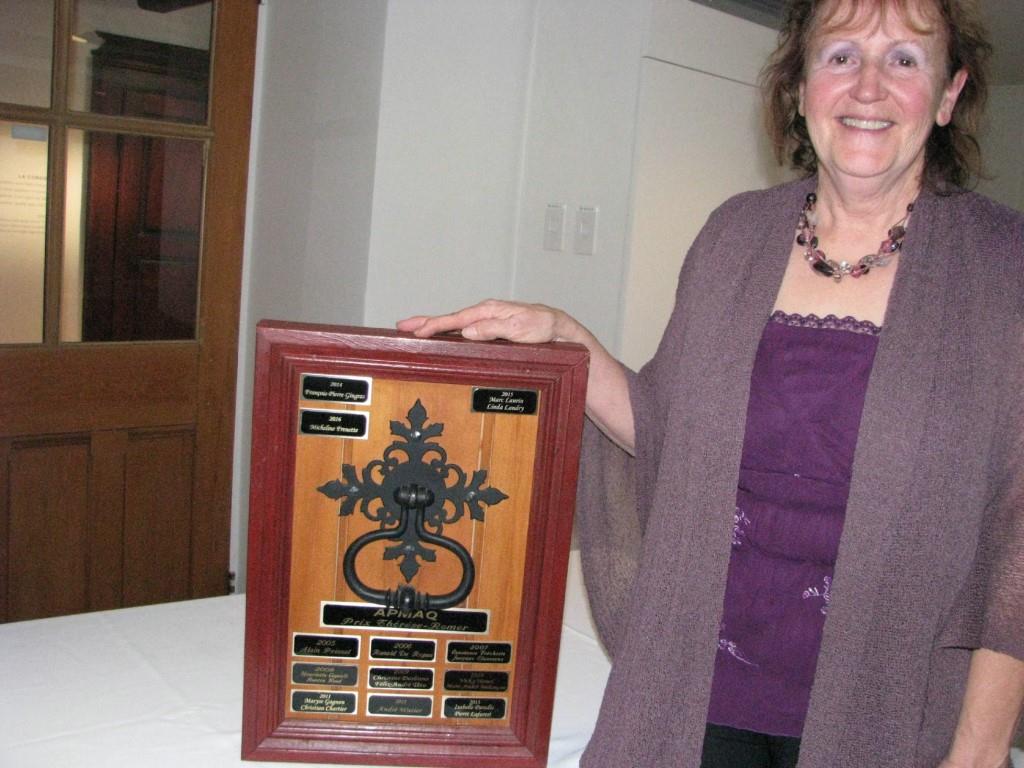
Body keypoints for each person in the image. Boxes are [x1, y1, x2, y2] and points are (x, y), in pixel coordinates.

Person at [398, 0, 1024, 765]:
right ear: (798, 86)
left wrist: (981, 747)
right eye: (840, 56)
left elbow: (1017, 536)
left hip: (887, 707)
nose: (868, 87)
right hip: (701, 687)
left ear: (950, 93)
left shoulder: (1003, 267)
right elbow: (667, 436)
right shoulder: (735, 236)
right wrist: (568, 338)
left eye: (904, 59)